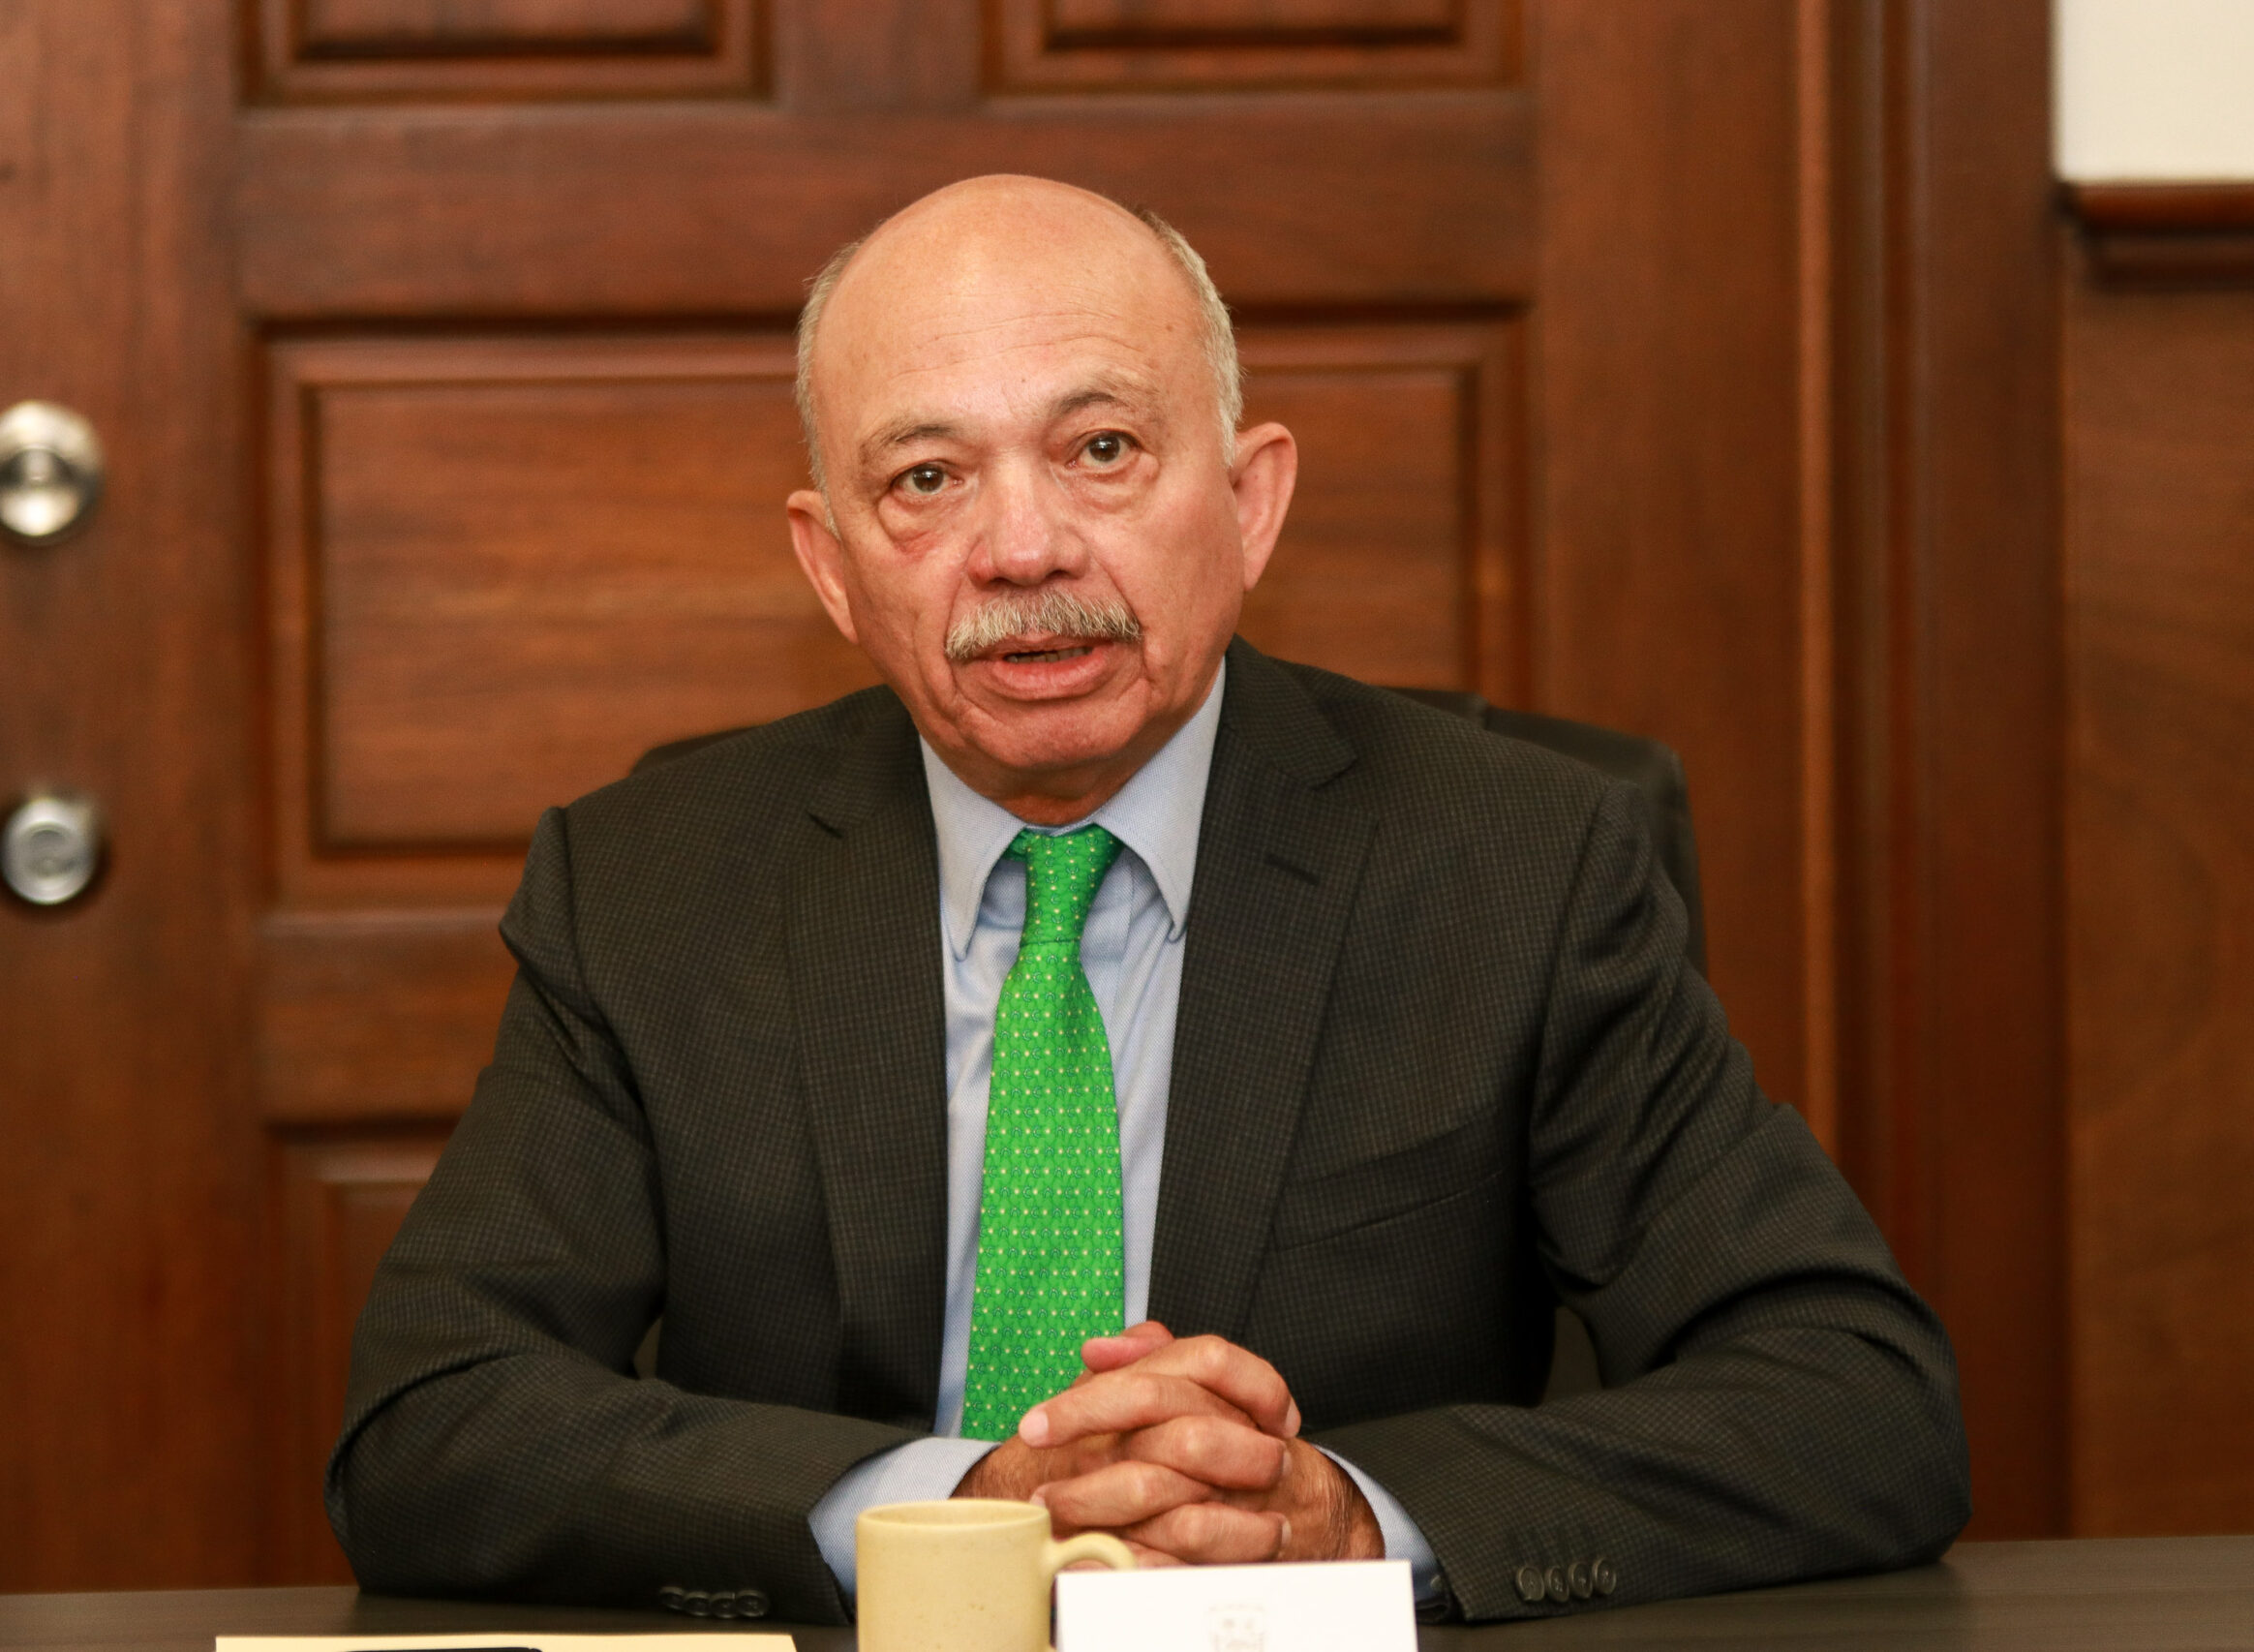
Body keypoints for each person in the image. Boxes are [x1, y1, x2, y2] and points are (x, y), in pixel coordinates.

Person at [327, 175, 1969, 1625]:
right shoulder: (652, 885)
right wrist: (952, 1507)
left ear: (1250, 502)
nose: (1022, 548)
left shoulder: (1515, 865)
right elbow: (432, 1418)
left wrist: (1349, 1520)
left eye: (1100, 450)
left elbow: (1853, 1397)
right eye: (926, 478)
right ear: (833, 567)